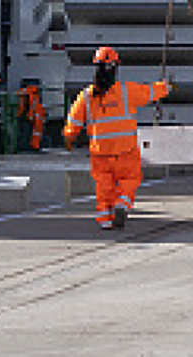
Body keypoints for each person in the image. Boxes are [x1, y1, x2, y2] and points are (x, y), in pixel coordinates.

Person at [62, 46, 170, 230]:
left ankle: (105, 220)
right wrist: (166, 86)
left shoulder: (87, 96)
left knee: (104, 187)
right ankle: (122, 204)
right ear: (115, 68)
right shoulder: (126, 91)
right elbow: (150, 92)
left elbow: (73, 121)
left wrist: (69, 138)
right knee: (130, 180)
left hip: (100, 153)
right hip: (125, 151)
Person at [18, 81, 46, 151]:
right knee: (34, 133)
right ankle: (33, 146)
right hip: (33, 117)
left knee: (28, 133)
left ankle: (29, 146)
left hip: (28, 116)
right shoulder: (33, 94)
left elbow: (23, 106)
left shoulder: (24, 93)